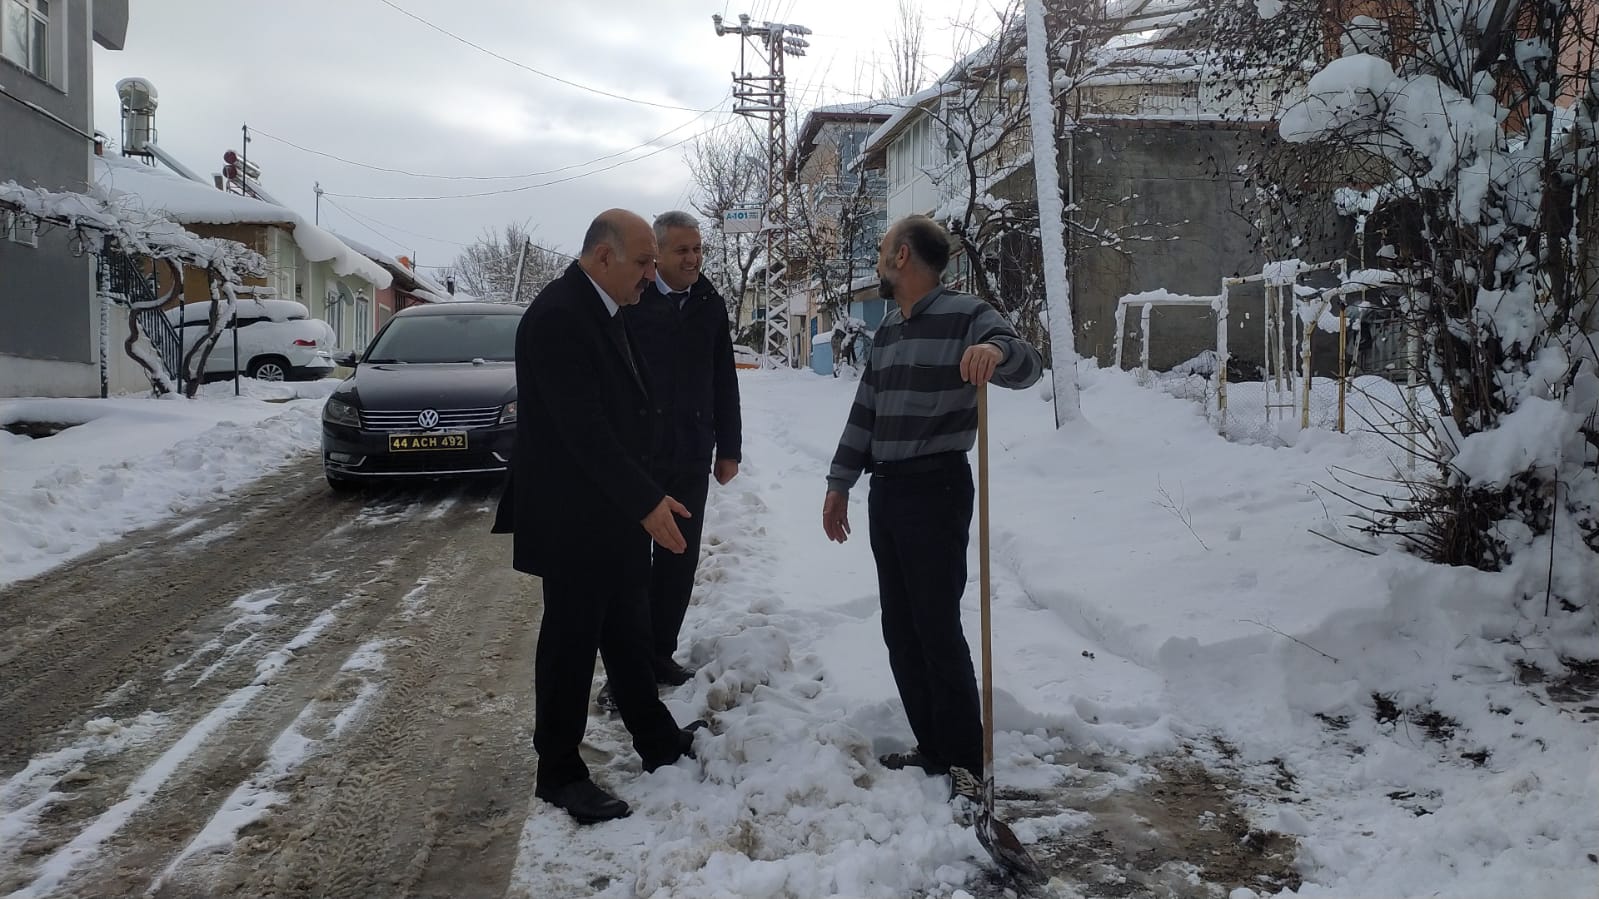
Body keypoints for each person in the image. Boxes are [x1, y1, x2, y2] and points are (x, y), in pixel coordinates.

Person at [493, 209, 705, 825]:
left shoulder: (606, 309)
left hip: (609, 510)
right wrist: (644, 499)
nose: (650, 274)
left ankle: (656, 741)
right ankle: (557, 770)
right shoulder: (559, 317)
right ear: (604, 257)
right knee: (570, 642)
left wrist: (643, 493)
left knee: (628, 631)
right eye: (643, 262)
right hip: (572, 516)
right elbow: (582, 431)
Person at [820, 214, 1043, 799]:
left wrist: (995, 354)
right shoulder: (889, 330)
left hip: (936, 489)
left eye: (881, 248)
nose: (875, 257)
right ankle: (932, 744)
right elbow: (865, 410)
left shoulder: (967, 315)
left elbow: (1027, 362)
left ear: (902, 257)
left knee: (936, 626)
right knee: (900, 626)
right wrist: (840, 481)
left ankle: (966, 757)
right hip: (887, 492)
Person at [621, 211, 742, 685]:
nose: (693, 259)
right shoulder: (633, 298)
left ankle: (659, 654)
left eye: (698, 249)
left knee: (678, 559)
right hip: (640, 457)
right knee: (631, 565)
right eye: (682, 250)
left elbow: (723, 378)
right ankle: (628, 669)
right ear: (658, 253)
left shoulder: (709, 302)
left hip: (690, 452)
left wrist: (728, 448)